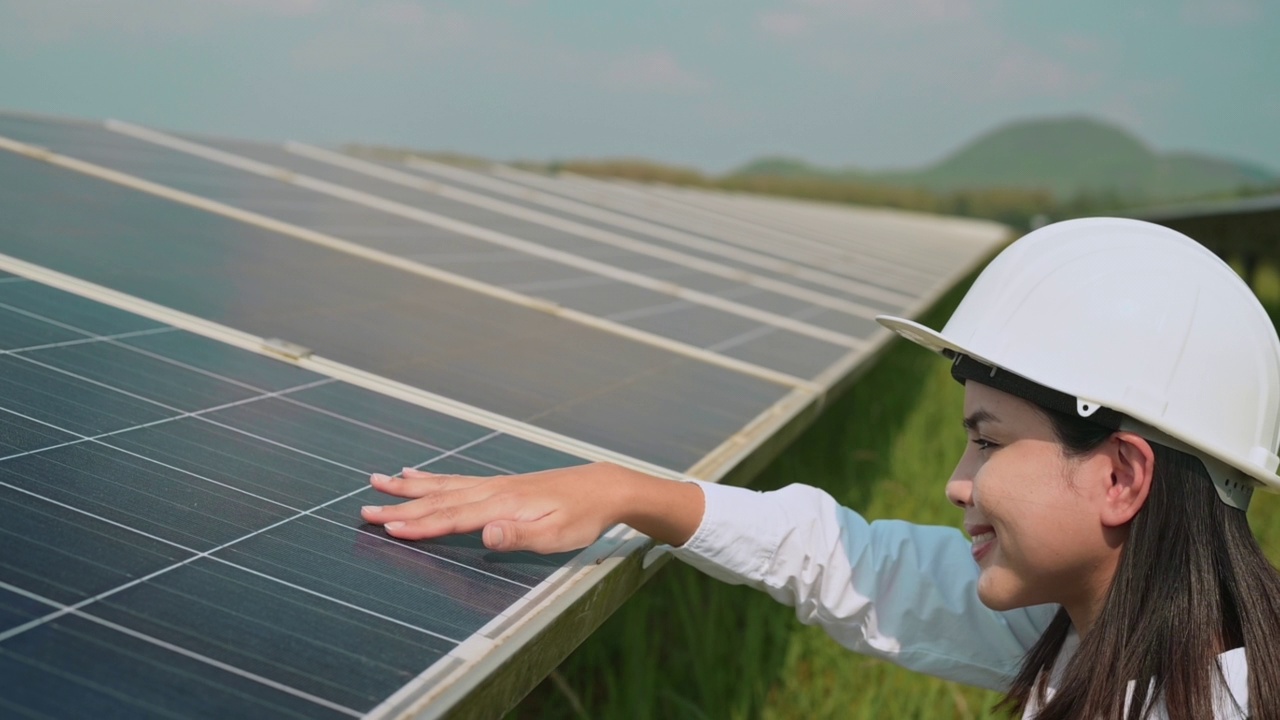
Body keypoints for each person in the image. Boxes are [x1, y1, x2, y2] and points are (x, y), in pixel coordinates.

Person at [360, 218, 1280, 718]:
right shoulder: (1098, 625)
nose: (957, 480)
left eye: (990, 441)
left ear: (1121, 476)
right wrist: (626, 492)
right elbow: (853, 561)